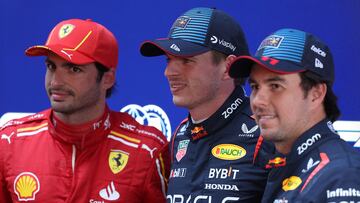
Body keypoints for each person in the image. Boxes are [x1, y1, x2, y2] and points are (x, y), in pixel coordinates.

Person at [0, 18, 170, 202]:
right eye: (51, 67)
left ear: (107, 78)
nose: (55, 82)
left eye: (73, 69)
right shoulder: (10, 142)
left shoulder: (146, 150)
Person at [140, 7, 274, 202]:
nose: (169, 73)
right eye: (169, 60)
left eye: (186, 61)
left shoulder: (267, 135)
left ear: (228, 67)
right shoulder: (181, 135)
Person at [229, 28, 360, 202]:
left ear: (316, 94)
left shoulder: (342, 177)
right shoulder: (283, 163)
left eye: (275, 86)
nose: (258, 101)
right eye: (255, 87)